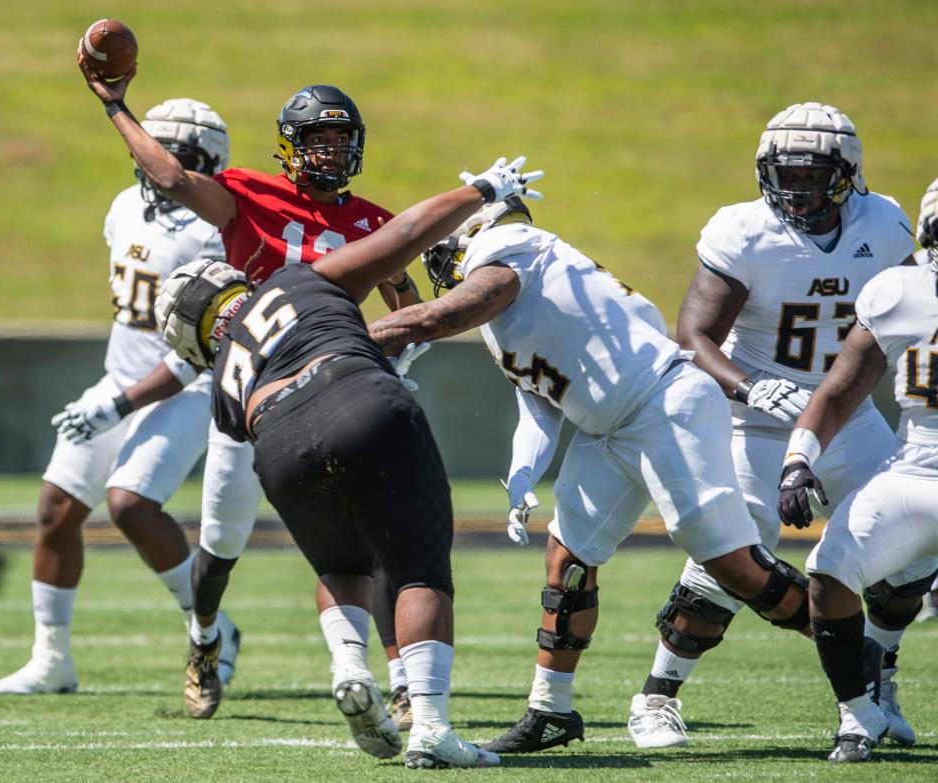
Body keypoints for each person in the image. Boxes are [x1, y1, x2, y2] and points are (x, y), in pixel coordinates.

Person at [366, 193, 815, 756]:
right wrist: (523, 473)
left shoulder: (508, 248)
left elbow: (443, 314)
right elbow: (539, 401)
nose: (439, 264)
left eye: (441, 249)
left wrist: (351, 341)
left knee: (732, 564)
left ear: (473, 232)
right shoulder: (502, 303)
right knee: (568, 558)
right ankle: (550, 711)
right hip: (610, 430)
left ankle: (855, 651)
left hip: (663, 403)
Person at [153, 155, 543, 767]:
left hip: (278, 447)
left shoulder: (220, 387)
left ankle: (348, 665)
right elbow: (405, 237)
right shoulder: (292, 280)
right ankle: (431, 727)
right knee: (416, 566)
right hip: (359, 399)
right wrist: (480, 190)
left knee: (341, 564)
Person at [74, 56, 418, 720]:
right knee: (221, 543)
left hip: (335, 394)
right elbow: (170, 175)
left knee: (373, 537)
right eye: (320, 140)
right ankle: (204, 639)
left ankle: (402, 678)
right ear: (291, 147)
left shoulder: (374, 221)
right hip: (251, 397)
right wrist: (116, 105)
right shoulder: (249, 193)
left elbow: (411, 313)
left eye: (344, 140)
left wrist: (398, 310)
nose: (334, 151)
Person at [625, 101, 937, 749]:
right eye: (783, 173)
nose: (794, 188)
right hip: (750, 423)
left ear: (846, 171)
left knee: (913, 556)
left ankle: (876, 679)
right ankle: (656, 695)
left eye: (810, 174)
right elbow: (694, 335)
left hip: (845, 419)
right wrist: (751, 386)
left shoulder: (883, 227)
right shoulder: (744, 232)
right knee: (729, 559)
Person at [0, 99, 242, 696]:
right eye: (154, 150)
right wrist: (114, 394)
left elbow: (199, 350)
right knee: (55, 511)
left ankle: (212, 626)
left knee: (129, 504)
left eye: (179, 156)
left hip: (186, 391)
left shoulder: (217, 228)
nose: (160, 165)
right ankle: (52, 660)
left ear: (208, 164)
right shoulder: (124, 207)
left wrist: (120, 403)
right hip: (119, 381)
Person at [775, 177, 938, 762]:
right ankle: (859, 715)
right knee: (829, 572)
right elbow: (840, 389)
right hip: (919, 472)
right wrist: (798, 460)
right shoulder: (899, 292)